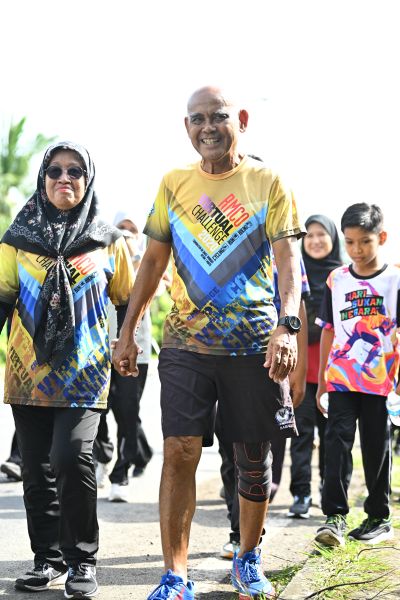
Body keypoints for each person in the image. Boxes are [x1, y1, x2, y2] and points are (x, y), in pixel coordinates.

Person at [113, 85, 305, 599]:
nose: (207, 128)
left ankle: (247, 558)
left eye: (217, 117)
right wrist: (128, 331)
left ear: (240, 119)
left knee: (252, 457)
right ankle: (175, 576)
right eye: (197, 119)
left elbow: (289, 261)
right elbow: (152, 261)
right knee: (179, 451)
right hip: (185, 344)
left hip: (253, 344)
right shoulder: (174, 183)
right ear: (186, 127)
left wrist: (287, 326)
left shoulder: (268, 182)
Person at [0, 141, 134, 597]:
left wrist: (127, 341)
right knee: (36, 470)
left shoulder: (109, 240)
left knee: (71, 458)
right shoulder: (17, 239)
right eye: (54, 170)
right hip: (27, 373)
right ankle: (47, 559)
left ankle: (82, 560)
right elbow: (2, 297)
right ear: (43, 179)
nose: (64, 178)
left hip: (85, 373)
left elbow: (127, 299)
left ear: (87, 180)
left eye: (74, 171)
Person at [314, 203, 400, 547]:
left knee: (377, 446)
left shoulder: (395, 279)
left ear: (382, 238)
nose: (357, 250)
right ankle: (334, 517)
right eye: (349, 242)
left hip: (381, 381)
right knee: (336, 442)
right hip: (341, 378)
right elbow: (328, 329)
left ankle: (379, 517)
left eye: (365, 241)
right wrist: (323, 380)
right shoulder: (337, 279)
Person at [219, 257, 309, 559]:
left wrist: (299, 371)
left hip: (268, 363)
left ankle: (246, 539)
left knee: (256, 453)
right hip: (218, 358)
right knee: (228, 453)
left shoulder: (284, 252)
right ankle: (238, 532)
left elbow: (298, 308)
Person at [94, 212, 154, 502]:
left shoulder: (148, 263)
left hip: (135, 351)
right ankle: (102, 456)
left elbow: (160, 286)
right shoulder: (102, 257)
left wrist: (137, 261)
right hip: (99, 349)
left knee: (128, 412)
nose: (126, 234)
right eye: (121, 228)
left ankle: (122, 473)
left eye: (132, 230)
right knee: (97, 411)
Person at [288, 215, 343, 519]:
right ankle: (301, 493)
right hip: (300, 372)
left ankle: (327, 488)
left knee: (332, 437)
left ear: (333, 237)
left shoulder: (344, 277)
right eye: (309, 235)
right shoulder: (295, 276)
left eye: (322, 234)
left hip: (335, 374)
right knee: (300, 436)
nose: (315, 240)